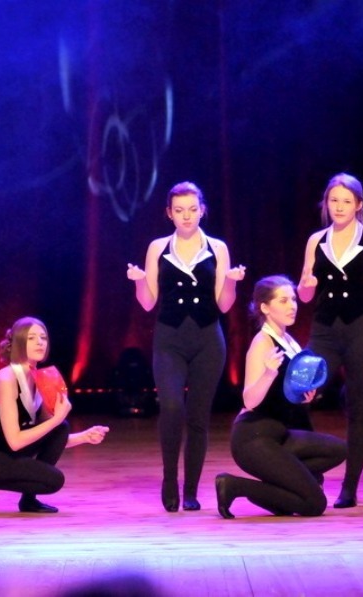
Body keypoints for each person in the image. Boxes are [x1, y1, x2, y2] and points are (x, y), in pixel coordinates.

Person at [126, 181, 246, 512]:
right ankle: (170, 481)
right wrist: (139, 281)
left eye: (192, 209)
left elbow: (224, 304)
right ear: (169, 213)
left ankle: (191, 490)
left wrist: (231, 282)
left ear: (202, 210)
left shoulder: (217, 248)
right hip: (170, 339)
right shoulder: (158, 248)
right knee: (171, 407)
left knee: (197, 416)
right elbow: (148, 303)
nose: (187, 216)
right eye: (179, 210)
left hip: (208, 340)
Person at [214, 276, 347, 518]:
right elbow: (249, 401)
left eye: (293, 300)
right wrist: (268, 374)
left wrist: (304, 397)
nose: (292, 306)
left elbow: (284, 394)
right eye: (283, 301)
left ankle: (280, 488)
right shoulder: (262, 344)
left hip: (280, 435)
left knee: (338, 449)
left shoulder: (288, 340)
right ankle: (234, 485)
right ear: (265, 307)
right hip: (253, 438)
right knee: (314, 504)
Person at [297, 173, 363, 509]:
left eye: (346, 201)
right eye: (334, 201)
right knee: (300, 392)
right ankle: (316, 467)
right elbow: (305, 295)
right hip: (325, 329)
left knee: (358, 405)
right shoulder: (316, 240)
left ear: (358, 205)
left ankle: (350, 487)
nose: (339, 207)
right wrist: (306, 285)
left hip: (362, 328)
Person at [0, 317, 109, 514]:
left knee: (61, 428)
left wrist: (84, 437)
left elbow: (46, 435)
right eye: (32, 338)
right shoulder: (7, 378)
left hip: (5, 452)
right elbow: (15, 441)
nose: (40, 342)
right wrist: (56, 419)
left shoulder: (40, 377)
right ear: (18, 342)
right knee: (53, 480)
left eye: (43, 337)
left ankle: (28, 500)